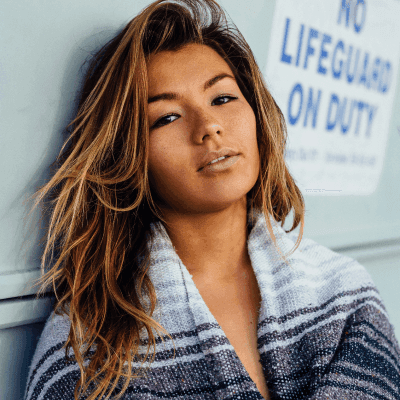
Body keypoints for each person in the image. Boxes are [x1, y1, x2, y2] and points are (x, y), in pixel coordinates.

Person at [24, 0, 400, 399]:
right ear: (129, 155)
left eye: (221, 98)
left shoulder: (343, 294)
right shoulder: (85, 346)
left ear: (257, 113)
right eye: (167, 117)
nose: (209, 128)